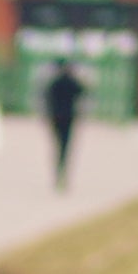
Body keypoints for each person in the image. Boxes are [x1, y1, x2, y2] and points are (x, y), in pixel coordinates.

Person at [41, 56, 86, 187]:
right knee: (65, 145)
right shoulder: (73, 82)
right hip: (69, 117)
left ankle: (58, 170)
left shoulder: (54, 83)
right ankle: (63, 170)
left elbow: (47, 98)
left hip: (56, 117)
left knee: (57, 145)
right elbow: (83, 92)